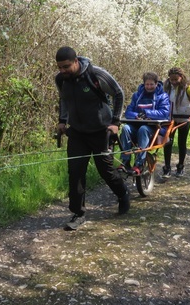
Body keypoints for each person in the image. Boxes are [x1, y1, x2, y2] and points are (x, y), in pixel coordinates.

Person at [55, 46, 130, 231]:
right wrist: (62, 121)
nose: (62, 71)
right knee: (75, 172)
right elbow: (64, 99)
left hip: (101, 131)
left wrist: (115, 122)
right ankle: (78, 213)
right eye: (59, 67)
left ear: (75, 62)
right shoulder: (61, 79)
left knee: (106, 170)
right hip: (77, 133)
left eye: (66, 67)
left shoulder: (95, 74)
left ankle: (122, 193)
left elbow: (118, 93)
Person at [119, 72, 171, 175]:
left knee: (143, 128)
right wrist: (136, 115)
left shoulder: (163, 96)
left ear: (156, 84)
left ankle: (139, 164)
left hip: (154, 128)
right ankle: (125, 161)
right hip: (136, 126)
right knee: (125, 128)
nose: (149, 87)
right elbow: (128, 111)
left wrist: (146, 113)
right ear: (144, 84)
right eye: (147, 84)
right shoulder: (137, 95)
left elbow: (164, 113)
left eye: (151, 84)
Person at [161, 67, 190, 178]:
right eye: (172, 80)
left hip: (185, 119)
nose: (174, 82)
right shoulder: (166, 88)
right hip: (170, 119)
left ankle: (180, 166)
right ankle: (167, 168)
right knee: (168, 142)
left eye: (176, 79)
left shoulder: (188, 89)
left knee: (181, 143)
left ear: (181, 77)